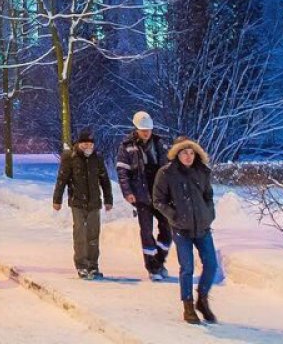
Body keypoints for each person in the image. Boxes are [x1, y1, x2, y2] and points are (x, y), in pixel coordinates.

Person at [154, 137, 219, 325]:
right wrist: (174, 216)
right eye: (184, 153)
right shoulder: (166, 173)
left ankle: (203, 299)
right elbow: (158, 200)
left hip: (203, 226)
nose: (188, 156)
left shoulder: (202, 171)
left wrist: (209, 213)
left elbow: (208, 195)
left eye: (191, 153)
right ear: (177, 154)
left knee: (211, 265)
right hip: (181, 228)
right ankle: (188, 305)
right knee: (187, 267)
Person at [116, 111, 171, 281]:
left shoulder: (160, 143)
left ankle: (159, 260)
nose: (146, 133)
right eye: (142, 129)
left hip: (160, 194)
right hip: (140, 194)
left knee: (167, 229)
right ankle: (152, 268)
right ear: (136, 129)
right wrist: (128, 193)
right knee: (146, 231)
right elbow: (122, 171)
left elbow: (169, 168)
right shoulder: (127, 145)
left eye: (148, 129)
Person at [52, 128, 114, 279]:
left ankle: (93, 265)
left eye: (90, 144)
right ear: (79, 144)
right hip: (77, 202)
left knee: (93, 234)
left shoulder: (97, 158)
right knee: (80, 234)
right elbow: (62, 179)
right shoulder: (70, 157)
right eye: (84, 144)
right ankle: (81, 265)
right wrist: (57, 199)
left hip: (94, 202)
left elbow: (104, 180)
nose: (87, 147)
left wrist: (108, 199)